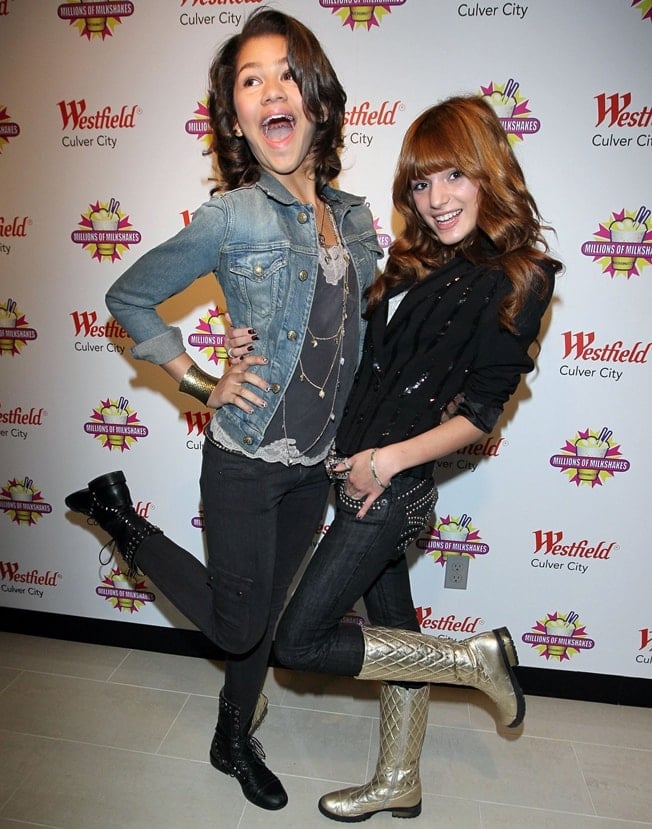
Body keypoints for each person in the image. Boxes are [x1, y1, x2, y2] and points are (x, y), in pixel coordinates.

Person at [64, 7, 381, 812]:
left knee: (264, 615)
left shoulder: (354, 218)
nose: (271, 90)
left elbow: (362, 335)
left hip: (315, 463)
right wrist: (202, 382)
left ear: (317, 99)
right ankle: (121, 520)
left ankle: (230, 738)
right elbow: (129, 296)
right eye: (250, 80)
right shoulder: (232, 215)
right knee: (239, 626)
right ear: (236, 117)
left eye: (287, 74)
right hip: (246, 456)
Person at [227, 94, 562, 822]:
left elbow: (479, 412)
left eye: (454, 176)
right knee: (395, 631)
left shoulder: (521, 275)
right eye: (421, 182)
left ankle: (472, 662)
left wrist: (383, 464)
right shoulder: (413, 264)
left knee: (298, 639)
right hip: (354, 474)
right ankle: (399, 780)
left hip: (392, 485)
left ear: (489, 171)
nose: (436, 199)